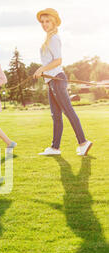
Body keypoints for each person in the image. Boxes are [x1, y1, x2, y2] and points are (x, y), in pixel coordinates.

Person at [33, 8, 92, 156]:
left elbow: (58, 60)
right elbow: (51, 61)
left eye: (48, 21)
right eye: (43, 22)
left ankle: (83, 142)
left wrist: (42, 69)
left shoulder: (54, 38)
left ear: (54, 22)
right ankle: (55, 148)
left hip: (57, 80)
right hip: (51, 81)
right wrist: (42, 70)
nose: (45, 24)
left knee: (68, 111)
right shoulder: (48, 38)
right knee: (56, 115)